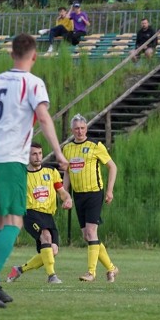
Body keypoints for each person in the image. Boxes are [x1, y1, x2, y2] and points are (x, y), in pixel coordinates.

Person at [0, 33, 68, 308]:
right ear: (34, 56)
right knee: (14, 222)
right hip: (10, 159)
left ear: (12, 54)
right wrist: (58, 153)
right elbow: (44, 118)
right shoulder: (33, 83)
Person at [62, 114, 119, 283]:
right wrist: (65, 193)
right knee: (87, 236)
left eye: (82, 128)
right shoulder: (67, 148)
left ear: (86, 128)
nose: (79, 131)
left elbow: (112, 167)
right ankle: (111, 268)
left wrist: (109, 191)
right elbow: (67, 172)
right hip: (78, 195)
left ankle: (91, 272)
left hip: (94, 193)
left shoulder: (95, 146)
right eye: (76, 129)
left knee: (91, 231)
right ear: (72, 130)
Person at [6, 142, 73, 284]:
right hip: (30, 213)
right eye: (34, 154)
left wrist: (67, 199)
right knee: (46, 236)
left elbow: (62, 192)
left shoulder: (51, 172)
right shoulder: (21, 175)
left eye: (40, 153)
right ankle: (52, 276)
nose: (38, 157)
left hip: (48, 215)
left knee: (52, 251)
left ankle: (19, 270)